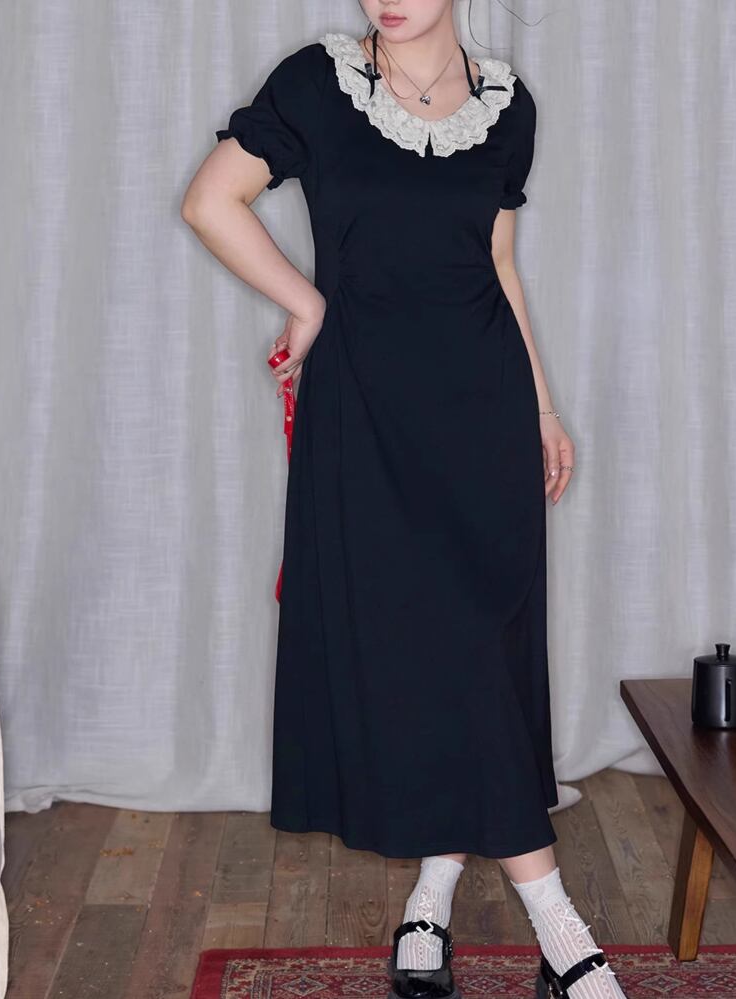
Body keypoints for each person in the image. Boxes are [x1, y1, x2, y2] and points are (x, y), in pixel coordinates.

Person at [182, 2, 626, 997]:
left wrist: (542, 407)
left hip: (484, 413)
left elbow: (498, 264)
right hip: (366, 418)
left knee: (484, 655)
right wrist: (308, 303)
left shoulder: (508, 106)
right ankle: (556, 925)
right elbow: (211, 201)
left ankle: (434, 898)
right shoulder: (317, 84)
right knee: (426, 657)